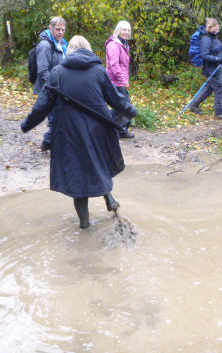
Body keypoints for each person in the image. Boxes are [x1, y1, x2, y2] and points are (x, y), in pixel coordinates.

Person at [20, 35, 137, 229]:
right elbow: (115, 98)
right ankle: (108, 196)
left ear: (70, 51)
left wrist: (27, 124)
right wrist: (131, 111)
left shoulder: (57, 72)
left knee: (77, 176)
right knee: (99, 163)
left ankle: (84, 225)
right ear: (89, 50)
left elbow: (43, 104)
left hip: (69, 132)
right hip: (99, 128)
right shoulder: (99, 70)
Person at [33, 16, 68, 151]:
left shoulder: (61, 44)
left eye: (63, 30)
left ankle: (48, 142)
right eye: (58, 29)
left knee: (58, 116)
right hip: (49, 88)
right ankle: (49, 142)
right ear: (50, 29)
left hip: (59, 87)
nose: (60, 32)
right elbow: (42, 71)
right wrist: (54, 87)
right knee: (55, 117)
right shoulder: (45, 45)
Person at [186, 18, 222, 119]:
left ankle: (194, 105)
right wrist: (218, 59)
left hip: (216, 67)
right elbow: (204, 55)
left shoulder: (213, 37)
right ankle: (219, 113)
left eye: (218, 29)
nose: (217, 31)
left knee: (209, 88)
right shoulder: (206, 39)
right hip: (211, 68)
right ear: (210, 27)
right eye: (215, 29)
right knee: (220, 88)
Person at [105, 20, 135, 138]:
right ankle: (117, 130)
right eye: (124, 30)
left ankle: (117, 130)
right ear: (118, 30)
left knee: (120, 107)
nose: (126, 32)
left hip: (119, 81)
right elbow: (114, 65)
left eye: (128, 30)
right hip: (115, 81)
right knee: (125, 106)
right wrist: (123, 80)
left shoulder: (123, 44)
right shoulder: (114, 44)